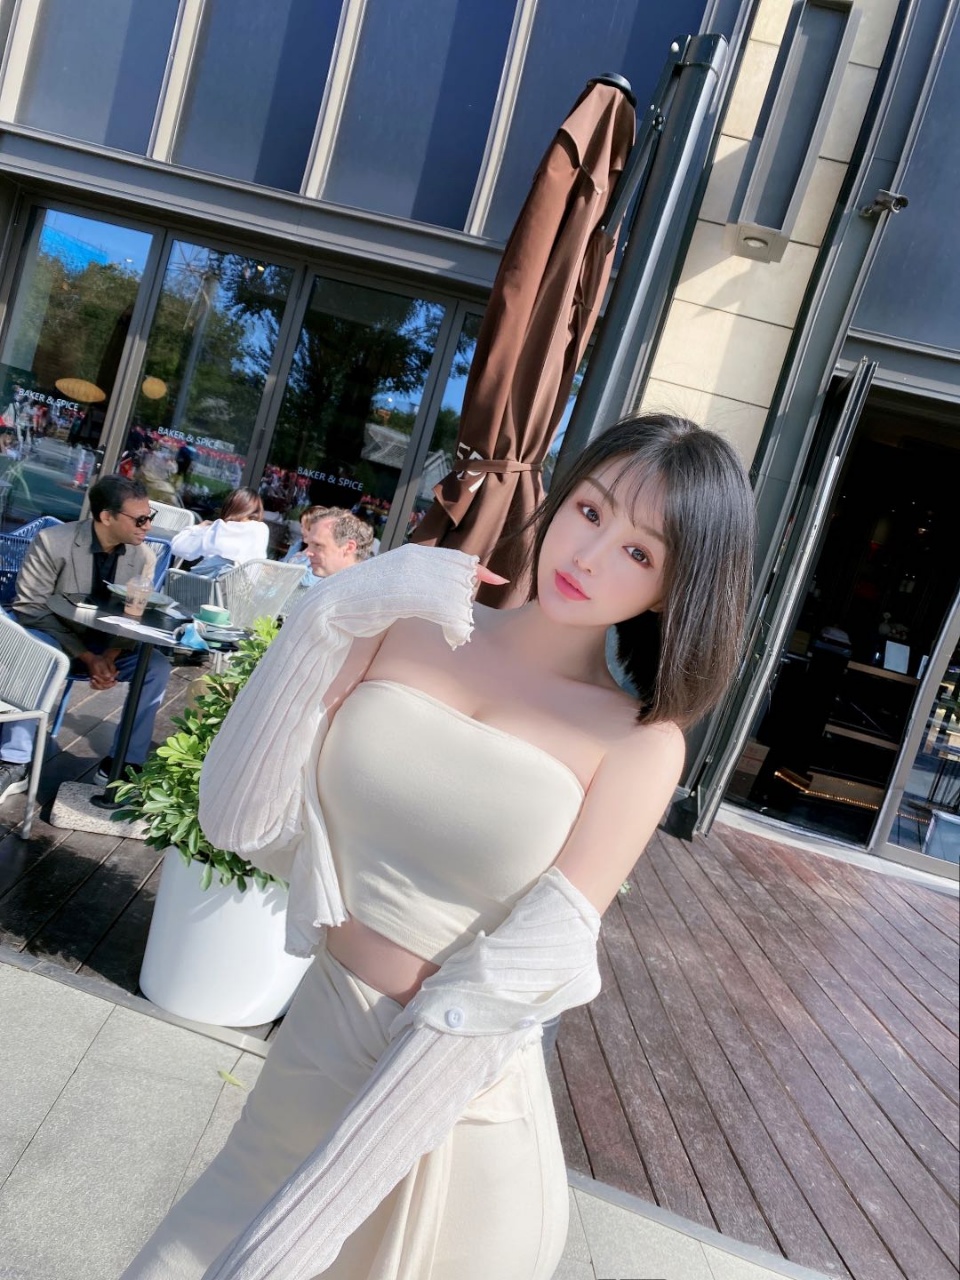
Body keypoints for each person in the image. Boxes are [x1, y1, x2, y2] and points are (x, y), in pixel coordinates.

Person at [119, 415, 755, 1279]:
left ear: (674, 590)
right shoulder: (407, 625)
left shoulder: (640, 745)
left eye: (640, 553)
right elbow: (237, 819)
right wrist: (337, 606)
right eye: (592, 511)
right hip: (312, 1057)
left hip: (454, 1116)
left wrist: (293, 1239)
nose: (591, 555)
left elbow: (513, 980)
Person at [0, 476, 172, 803]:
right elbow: (31, 608)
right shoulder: (53, 542)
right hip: (55, 638)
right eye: (140, 519)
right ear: (106, 516)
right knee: (38, 651)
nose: (148, 526)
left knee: (156, 667)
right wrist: (87, 657)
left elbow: (136, 616)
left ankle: (123, 762)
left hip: (108, 647)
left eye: (150, 517)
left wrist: (111, 655)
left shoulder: (143, 557)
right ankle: (14, 759)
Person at [169, 488, 270, 579]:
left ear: (230, 507)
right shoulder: (262, 530)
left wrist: (198, 527)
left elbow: (177, 546)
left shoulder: (219, 528)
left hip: (206, 590)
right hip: (242, 591)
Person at [284, 505, 376, 586]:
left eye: (317, 545)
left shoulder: (364, 596)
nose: (308, 553)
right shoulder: (333, 587)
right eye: (309, 544)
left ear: (348, 548)